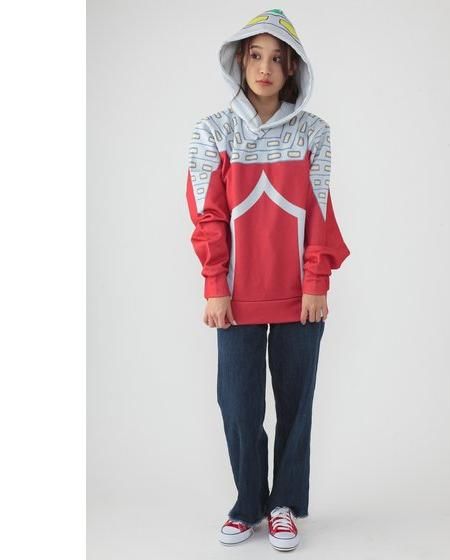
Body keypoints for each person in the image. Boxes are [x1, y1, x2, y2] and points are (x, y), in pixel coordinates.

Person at [185, 8, 350, 551]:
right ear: (240, 60)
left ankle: (284, 506)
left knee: (297, 406)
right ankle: (248, 504)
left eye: (277, 58)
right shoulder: (212, 131)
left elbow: (319, 208)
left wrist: (316, 280)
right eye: (255, 55)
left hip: (301, 295)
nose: (265, 68)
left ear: (292, 67)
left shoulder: (313, 133)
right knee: (238, 406)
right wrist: (215, 285)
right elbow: (207, 215)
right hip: (235, 296)